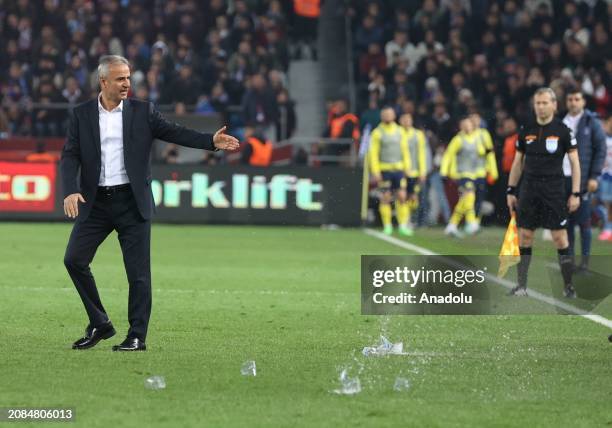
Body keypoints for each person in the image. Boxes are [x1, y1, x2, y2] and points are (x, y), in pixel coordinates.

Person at [61, 55, 239, 351]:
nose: (127, 84)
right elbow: (70, 154)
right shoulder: (81, 114)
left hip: (133, 202)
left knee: (138, 274)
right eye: (120, 79)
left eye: (129, 78)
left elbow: (175, 132)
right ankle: (100, 323)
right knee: (74, 260)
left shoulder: (143, 112)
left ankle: (136, 336)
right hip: (96, 204)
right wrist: (69, 189)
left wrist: (210, 142)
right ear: (103, 82)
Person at [506, 87, 580, 298]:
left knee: (559, 237)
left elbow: (575, 163)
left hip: (554, 190)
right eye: (537, 103)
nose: (540, 106)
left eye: (545, 103)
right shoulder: (526, 129)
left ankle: (568, 286)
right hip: (529, 189)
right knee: (525, 235)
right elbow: (518, 163)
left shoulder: (563, 130)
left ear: (554, 105)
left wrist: (575, 193)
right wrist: (511, 190)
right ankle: (521, 286)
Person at [561, 88, 606, 272]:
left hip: (583, 180)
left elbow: (600, 149)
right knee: (567, 223)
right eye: (570, 99)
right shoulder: (561, 121)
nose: (573, 102)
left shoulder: (591, 122)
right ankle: (569, 261)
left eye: (576, 99)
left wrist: (594, 176)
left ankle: (585, 264)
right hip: (562, 178)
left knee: (584, 222)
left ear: (583, 102)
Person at [440, 116, 489, 237]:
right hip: (461, 173)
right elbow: (448, 155)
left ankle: (452, 225)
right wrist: (444, 171)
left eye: (469, 125)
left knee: (464, 200)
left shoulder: (477, 138)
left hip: (474, 173)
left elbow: (484, 153)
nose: (467, 127)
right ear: (461, 127)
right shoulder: (458, 139)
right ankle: (472, 222)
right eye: (464, 125)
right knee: (470, 195)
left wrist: (488, 164)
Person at [368, 106, 411, 236]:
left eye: (389, 114)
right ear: (382, 116)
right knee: (385, 197)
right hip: (384, 169)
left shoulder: (400, 131)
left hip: (398, 169)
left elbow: (405, 150)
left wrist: (407, 167)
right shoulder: (377, 133)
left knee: (402, 196)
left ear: (394, 116)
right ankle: (387, 226)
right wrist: (375, 171)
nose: (387, 116)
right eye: (385, 114)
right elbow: (373, 153)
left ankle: (403, 225)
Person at [399, 113, 430, 235]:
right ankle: (404, 222)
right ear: (400, 121)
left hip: (415, 171)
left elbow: (421, 155)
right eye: (404, 119)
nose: (406, 121)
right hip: (400, 171)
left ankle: (411, 219)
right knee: (402, 196)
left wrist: (423, 171)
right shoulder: (398, 134)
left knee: (413, 198)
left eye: (408, 119)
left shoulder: (418, 135)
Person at [470, 112, 499, 225]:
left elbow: (489, 152)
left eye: (477, 119)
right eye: (472, 119)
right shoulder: (464, 135)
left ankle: (476, 221)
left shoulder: (484, 134)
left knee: (479, 197)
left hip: (481, 171)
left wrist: (493, 170)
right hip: (467, 172)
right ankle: (470, 220)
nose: (475, 122)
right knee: (468, 198)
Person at [597, 115, 612, 241]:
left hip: (609, 175)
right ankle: (607, 227)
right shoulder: (602, 138)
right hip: (604, 174)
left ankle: (608, 229)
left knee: (608, 203)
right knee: (602, 202)